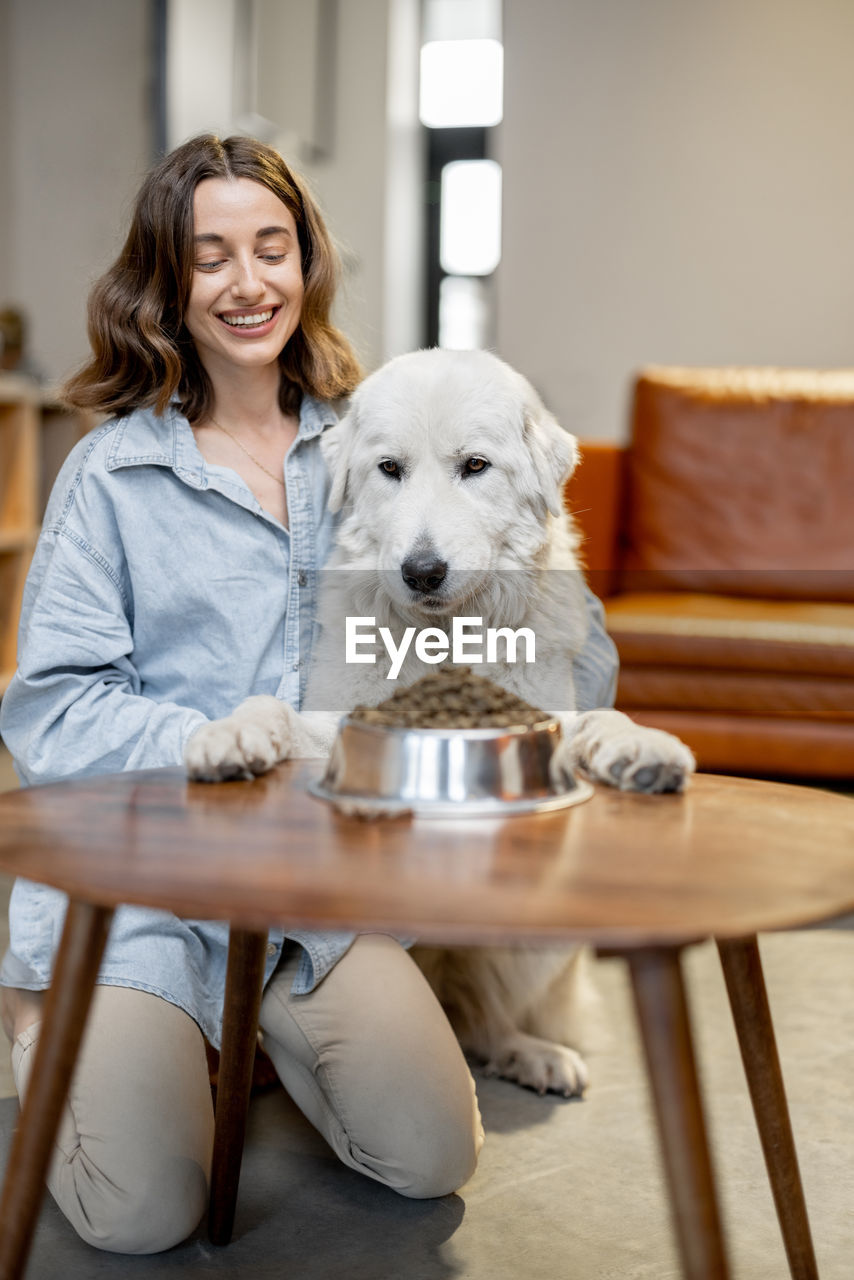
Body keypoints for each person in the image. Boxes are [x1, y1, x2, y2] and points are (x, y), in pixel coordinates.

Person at [0, 134, 619, 1255]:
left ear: (306, 264)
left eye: (271, 248)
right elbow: (50, 710)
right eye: (211, 255)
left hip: (316, 899)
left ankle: (246, 1046)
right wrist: (217, 740)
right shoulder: (112, 473)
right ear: (167, 281)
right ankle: (58, 1025)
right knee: (145, 1212)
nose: (248, 283)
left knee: (430, 1155)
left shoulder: (381, 433)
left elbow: (545, 638)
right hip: (153, 888)